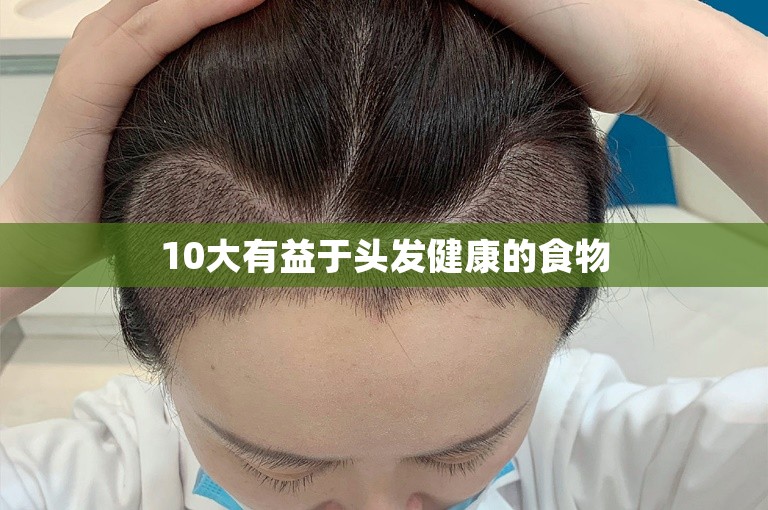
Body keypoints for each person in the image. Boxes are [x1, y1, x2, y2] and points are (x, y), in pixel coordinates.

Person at [0, 0, 766, 509]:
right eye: (279, 468)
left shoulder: (604, 467)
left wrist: (667, 55)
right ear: (149, 342)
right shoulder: (100, 484)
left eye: (460, 457)